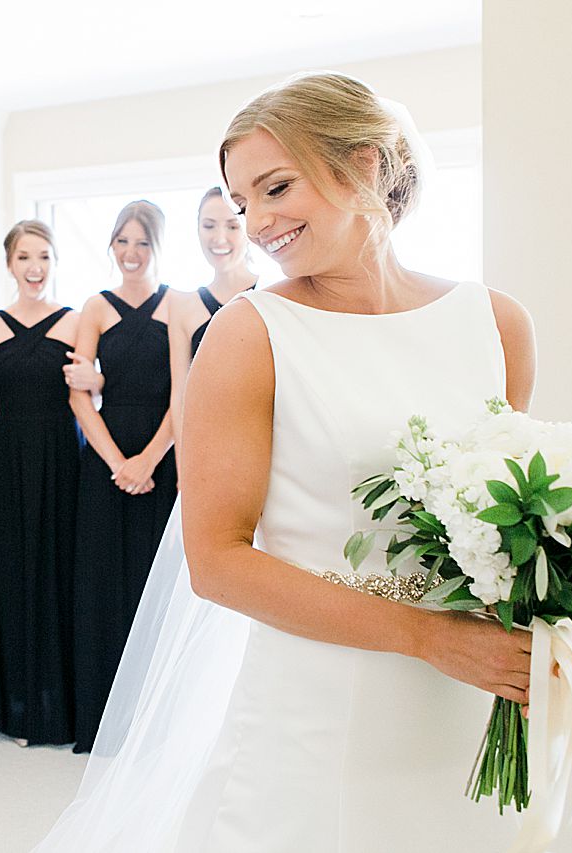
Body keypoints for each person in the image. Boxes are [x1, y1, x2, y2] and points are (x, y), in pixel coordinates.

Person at [37, 73, 538, 851]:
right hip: (320, 706)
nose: (256, 224)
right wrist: (427, 636)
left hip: (467, 697)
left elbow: (511, 522)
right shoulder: (247, 333)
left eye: (276, 188)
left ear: (365, 164)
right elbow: (217, 562)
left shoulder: (497, 322)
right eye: (242, 204)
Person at [0, 220, 81, 747]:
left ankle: (58, 704)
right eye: (25, 257)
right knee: (7, 572)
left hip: (63, 459)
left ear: (56, 262)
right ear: (9, 263)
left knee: (59, 573)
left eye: (45, 257)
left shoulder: (78, 322)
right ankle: (12, 704)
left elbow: (93, 396)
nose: (35, 268)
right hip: (7, 461)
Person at [69, 200, 178, 753]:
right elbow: (80, 395)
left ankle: (157, 725)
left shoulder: (177, 306)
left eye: (142, 243)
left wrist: (148, 461)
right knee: (102, 583)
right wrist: (117, 463)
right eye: (122, 242)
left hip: (163, 460)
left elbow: (185, 395)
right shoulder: (95, 306)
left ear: (158, 247)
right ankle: (102, 719)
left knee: (155, 585)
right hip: (105, 464)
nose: (131, 254)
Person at [166, 187, 257, 457]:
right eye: (209, 226)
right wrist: (184, 470)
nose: (219, 238)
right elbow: (180, 395)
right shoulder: (182, 306)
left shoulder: (272, 294)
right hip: (204, 449)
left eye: (232, 225)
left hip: (264, 443)